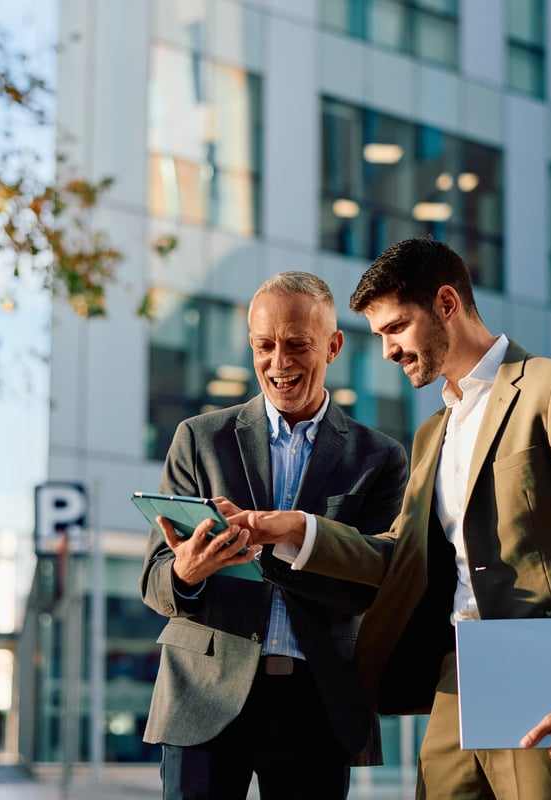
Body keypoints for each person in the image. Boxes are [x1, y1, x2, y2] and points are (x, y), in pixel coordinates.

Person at [235, 237, 551, 800]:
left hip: (547, 675)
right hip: (457, 679)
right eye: (380, 336)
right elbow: (402, 557)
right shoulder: (433, 432)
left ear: (447, 304)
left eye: (396, 329)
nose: (387, 351)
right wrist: (295, 529)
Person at [141, 271, 409, 799]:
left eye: (296, 345)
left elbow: (374, 585)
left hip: (318, 702)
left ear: (332, 346)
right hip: (203, 699)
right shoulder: (199, 439)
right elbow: (153, 582)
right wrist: (186, 573)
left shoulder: (378, 458)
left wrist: (278, 543)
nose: (278, 363)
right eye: (264, 346)